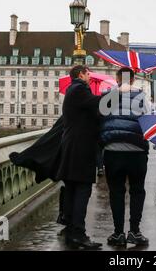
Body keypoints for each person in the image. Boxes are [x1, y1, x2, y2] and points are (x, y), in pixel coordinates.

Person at [100, 67, 150, 247]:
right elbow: (149, 120)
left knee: (116, 192)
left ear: (117, 78)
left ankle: (118, 233)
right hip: (137, 151)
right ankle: (135, 231)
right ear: (134, 79)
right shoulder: (142, 97)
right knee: (137, 191)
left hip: (113, 150)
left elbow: (101, 119)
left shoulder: (107, 96)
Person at [55, 65, 102, 249]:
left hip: (71, 148)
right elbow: (97, 102)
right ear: (81, 74)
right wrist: (117, 94)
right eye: (88, 73)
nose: (90, 77)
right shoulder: (79, 88)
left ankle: (71, 231)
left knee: (73, 190)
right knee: (82, 190)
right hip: (79, 149)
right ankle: (79, 234)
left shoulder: (73, 91)